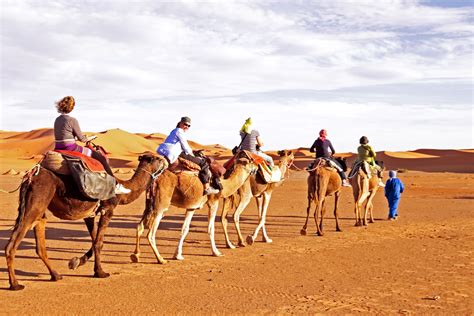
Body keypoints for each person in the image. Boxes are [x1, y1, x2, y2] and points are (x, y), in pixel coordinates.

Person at [53, 96, 130, 194]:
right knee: (99, 157)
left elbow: (65, 135)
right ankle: (115, 186)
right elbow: (82, 139)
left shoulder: (57, 120)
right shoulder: (72, 120)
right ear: (72, 107)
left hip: (58, 147)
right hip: (71, 148)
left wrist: (76, 138)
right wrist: (90, 138)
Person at [157, 116, 219, 195]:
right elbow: (185, 146)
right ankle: (207, 187)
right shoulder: (180, 131)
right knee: (204, 164)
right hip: (174, 153)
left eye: (189, 126)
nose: (187, 127)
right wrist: (193, 155)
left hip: (166, 152)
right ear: (180, 123)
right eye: (185, 124)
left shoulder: (174, 131)